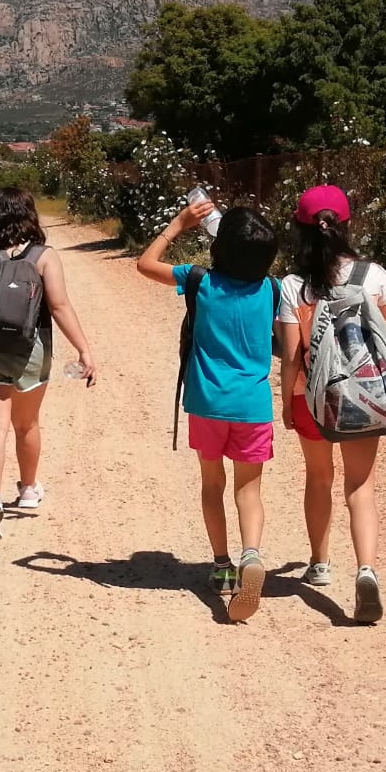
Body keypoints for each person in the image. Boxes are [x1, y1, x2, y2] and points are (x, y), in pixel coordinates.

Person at [135, 199, 280, 621]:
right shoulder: (272, 290)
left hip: (207, 404)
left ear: (218, 247)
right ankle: (251, 555)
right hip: (253, 406)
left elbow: (145, 264)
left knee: (212, 484)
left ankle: (222, 566)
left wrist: (178, 223)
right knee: (249, 490)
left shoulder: (199, 281)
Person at [274, 184, 386, 624]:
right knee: (360, 486)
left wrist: (287, 402)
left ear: (300, 229)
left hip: (313, 397)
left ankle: (319, 563)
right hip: (366, 396)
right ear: (346, 224)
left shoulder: (294, 286)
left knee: (318, 477)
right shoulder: (374, 275)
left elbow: (291, 355)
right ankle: (366, 569)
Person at [0, 187, 99, 541]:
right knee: (27, 424)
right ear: (30, 215)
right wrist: (84, 349)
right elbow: (59, 307)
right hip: (32, 349)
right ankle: (28, 489)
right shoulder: (44, 257)